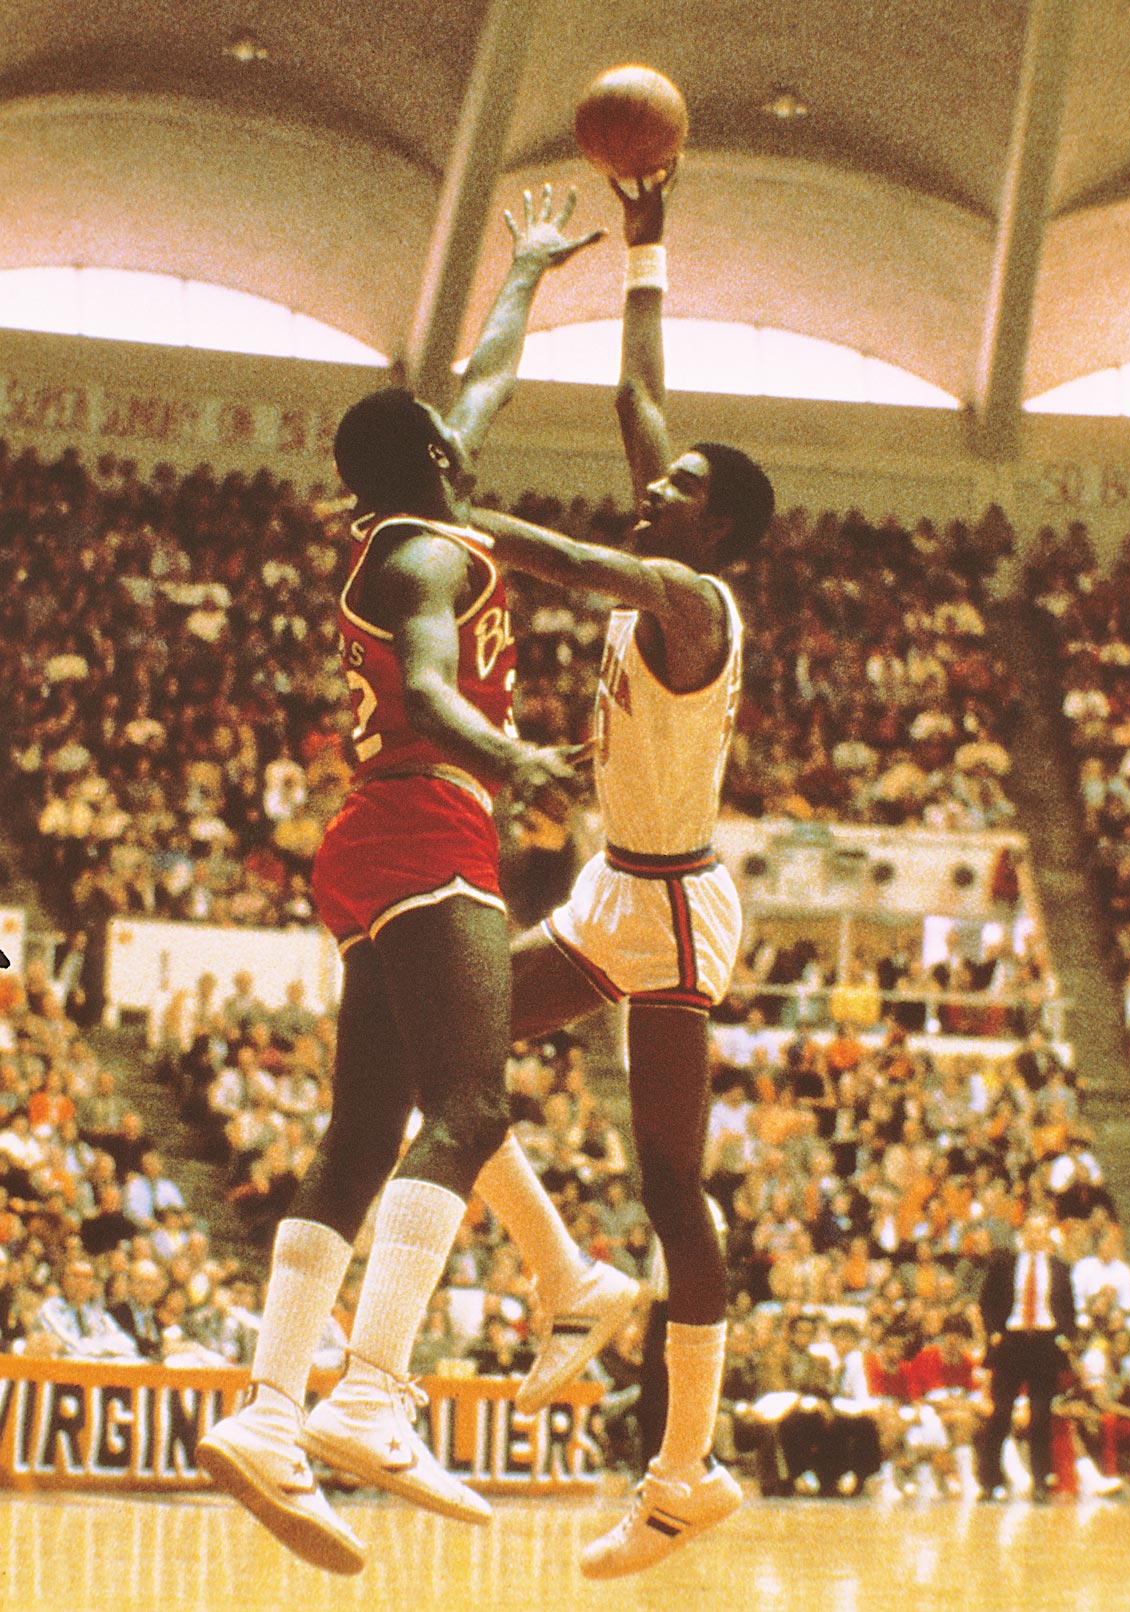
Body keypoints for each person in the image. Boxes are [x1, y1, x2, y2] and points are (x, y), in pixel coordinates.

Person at [198, 184, 602, 1576]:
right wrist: (523, 752)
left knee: (362, 1133)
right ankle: (370, 1391)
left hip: (373, 842)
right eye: (451, 432)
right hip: (434, 821)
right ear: (431, 458)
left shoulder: (405, 520)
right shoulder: (430, 551)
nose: (467, 427)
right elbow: (431, 689)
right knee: (472, 1104)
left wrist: (527, 276)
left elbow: (482, 383)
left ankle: (265, 1409)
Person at [470, 167, 775, 1576]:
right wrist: (648, 250)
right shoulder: (678, 541)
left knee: (671, 1186)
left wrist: (450, 526)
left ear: (720, 534)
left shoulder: (689, 597)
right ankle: (566, 1279)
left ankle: (682, 1476)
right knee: (439, 1038)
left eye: (688, 488)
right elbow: (635, 403)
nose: (662, 484)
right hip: (609, 883)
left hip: (673, 906)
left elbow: (563, 557)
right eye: (672, 479)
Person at [975, 1211, 1076, 1501]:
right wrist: (994, 1331)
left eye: (1041, 1230)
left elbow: (1068, 1308)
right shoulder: (1005, 1264)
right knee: (1001, 1413)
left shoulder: (1059, 1268)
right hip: (1011, 1342)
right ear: (1023, 1234)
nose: (1035, 1236)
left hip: (1044, 1344)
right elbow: (987, 1302)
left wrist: (1064, 1336)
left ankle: (1041, 1481)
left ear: (1047, 1235)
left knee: (1041, 1414)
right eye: (1030, 1230)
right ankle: (989, 1480)